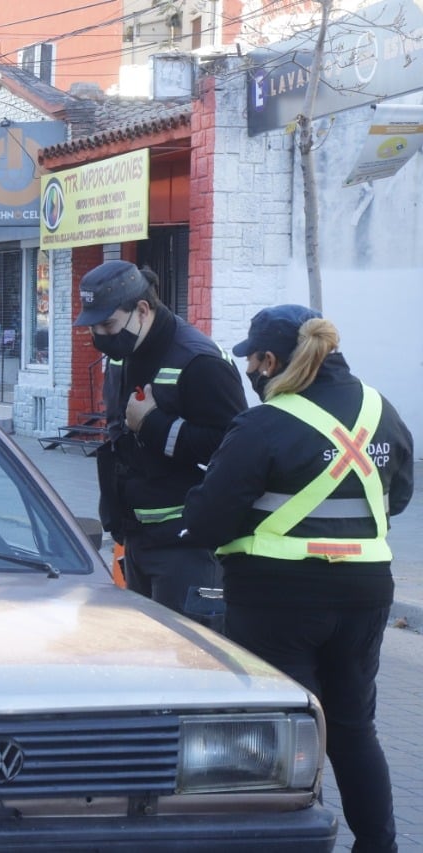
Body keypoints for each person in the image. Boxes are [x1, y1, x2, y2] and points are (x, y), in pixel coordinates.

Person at [180, 305, 413, 853]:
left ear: (270, 360)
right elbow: (396, 498)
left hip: (275, 600)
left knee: (280, 733)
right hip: (365, 593)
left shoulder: (265, 423)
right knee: (353, 727)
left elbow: (210, 517)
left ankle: (291, 840)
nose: (251, 374)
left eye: (252, 363)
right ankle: (378, 845)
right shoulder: (383, 411)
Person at [75, 260, 246, 620]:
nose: (101, 337)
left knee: (184, 659)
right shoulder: (123, 354)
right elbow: (119, 434)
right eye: (95, 328)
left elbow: (231, 448)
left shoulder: (200, 361)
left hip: (187, 544)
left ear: (141, 309)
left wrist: (153, 424)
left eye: (108, 325)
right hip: (136, 535)